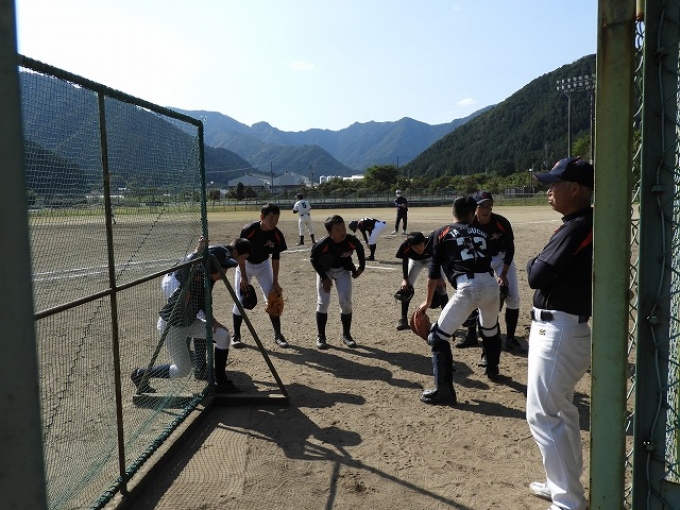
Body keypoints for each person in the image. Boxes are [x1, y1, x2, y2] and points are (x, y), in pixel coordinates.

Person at [525, 157, 594, 510]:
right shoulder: (580, 223)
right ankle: (564, 487)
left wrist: (533, 262)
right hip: (565, 328)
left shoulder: (577, 226)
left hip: (559, 331)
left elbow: (535, 275)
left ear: (575, 189)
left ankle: (568, 501)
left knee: (543, 414)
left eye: (554, 185)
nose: (548, 190)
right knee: (562, 411)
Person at [131, 239, 252, 395]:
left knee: (223, 335)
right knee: (182, 370)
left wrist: (213, 321)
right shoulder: (188, 279)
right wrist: (196, 252)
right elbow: (184, 270)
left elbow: (204, 305)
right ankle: (141, 374)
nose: (224, 272)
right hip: (173, 328)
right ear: (210, 267)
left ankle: (220, 381)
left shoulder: (205, 282)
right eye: (222, 268)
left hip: (190, 324)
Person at [417, 196, 502, 405]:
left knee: (437, 337)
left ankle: (444, 391)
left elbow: (433, 272)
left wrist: (427, 301)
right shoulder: (482, 232)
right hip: (491, 286)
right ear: (472, 214)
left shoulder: (441, 232)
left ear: (453, 211)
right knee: (490, 329)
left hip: (468, 287)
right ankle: (492, 369)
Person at [468, 190, 522, 352]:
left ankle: (510, 338)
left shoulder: (501, 222)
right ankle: (471, 335)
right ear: (475, 208)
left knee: (513, 297)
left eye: (489, 206)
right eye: (482, 206)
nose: (486, 209)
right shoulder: (469, 224)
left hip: (501, 258)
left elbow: (510, 249)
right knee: (473, 294)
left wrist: (503, 274)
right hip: (479, 260)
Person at [231, 203, 290, 348]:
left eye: (277, 219)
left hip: (263, 265)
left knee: (273, 298)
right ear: (262, 217)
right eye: (271, 218)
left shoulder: (276, 234)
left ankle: (278, 335)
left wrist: (275, 281)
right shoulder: (249, 230)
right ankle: (236, 335)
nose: (274, 222)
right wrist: (243, 276)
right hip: (245, 265)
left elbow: (275, 258)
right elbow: (240, 254)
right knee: (240, 299)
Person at [310, 215, 366, 349]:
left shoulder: (350, 240)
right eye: (337, 229)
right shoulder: (323, 243)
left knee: (346, 302)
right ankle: (321, 337)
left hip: (342, 271)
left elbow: (360, 249)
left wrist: (361, 268)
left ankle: (347, 335)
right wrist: (324, 278)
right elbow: (313, 259)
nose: (342, 231)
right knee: (323, 302)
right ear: (330, 232)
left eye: (343, 227)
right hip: (325, 271)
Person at [394, 231, 447, 331]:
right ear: (410, 246)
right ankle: (403, 319)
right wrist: (405, 279)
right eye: (415, 247)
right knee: (405, 288)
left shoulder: (431, 243)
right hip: (415, 262)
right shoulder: (406, 245)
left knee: (441, 288)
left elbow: (438, 259)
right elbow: (405, 260)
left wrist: (439, 277)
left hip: (432, 260)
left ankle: (447, 320)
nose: (419, 248)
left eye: (421, 245)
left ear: (424, 241)